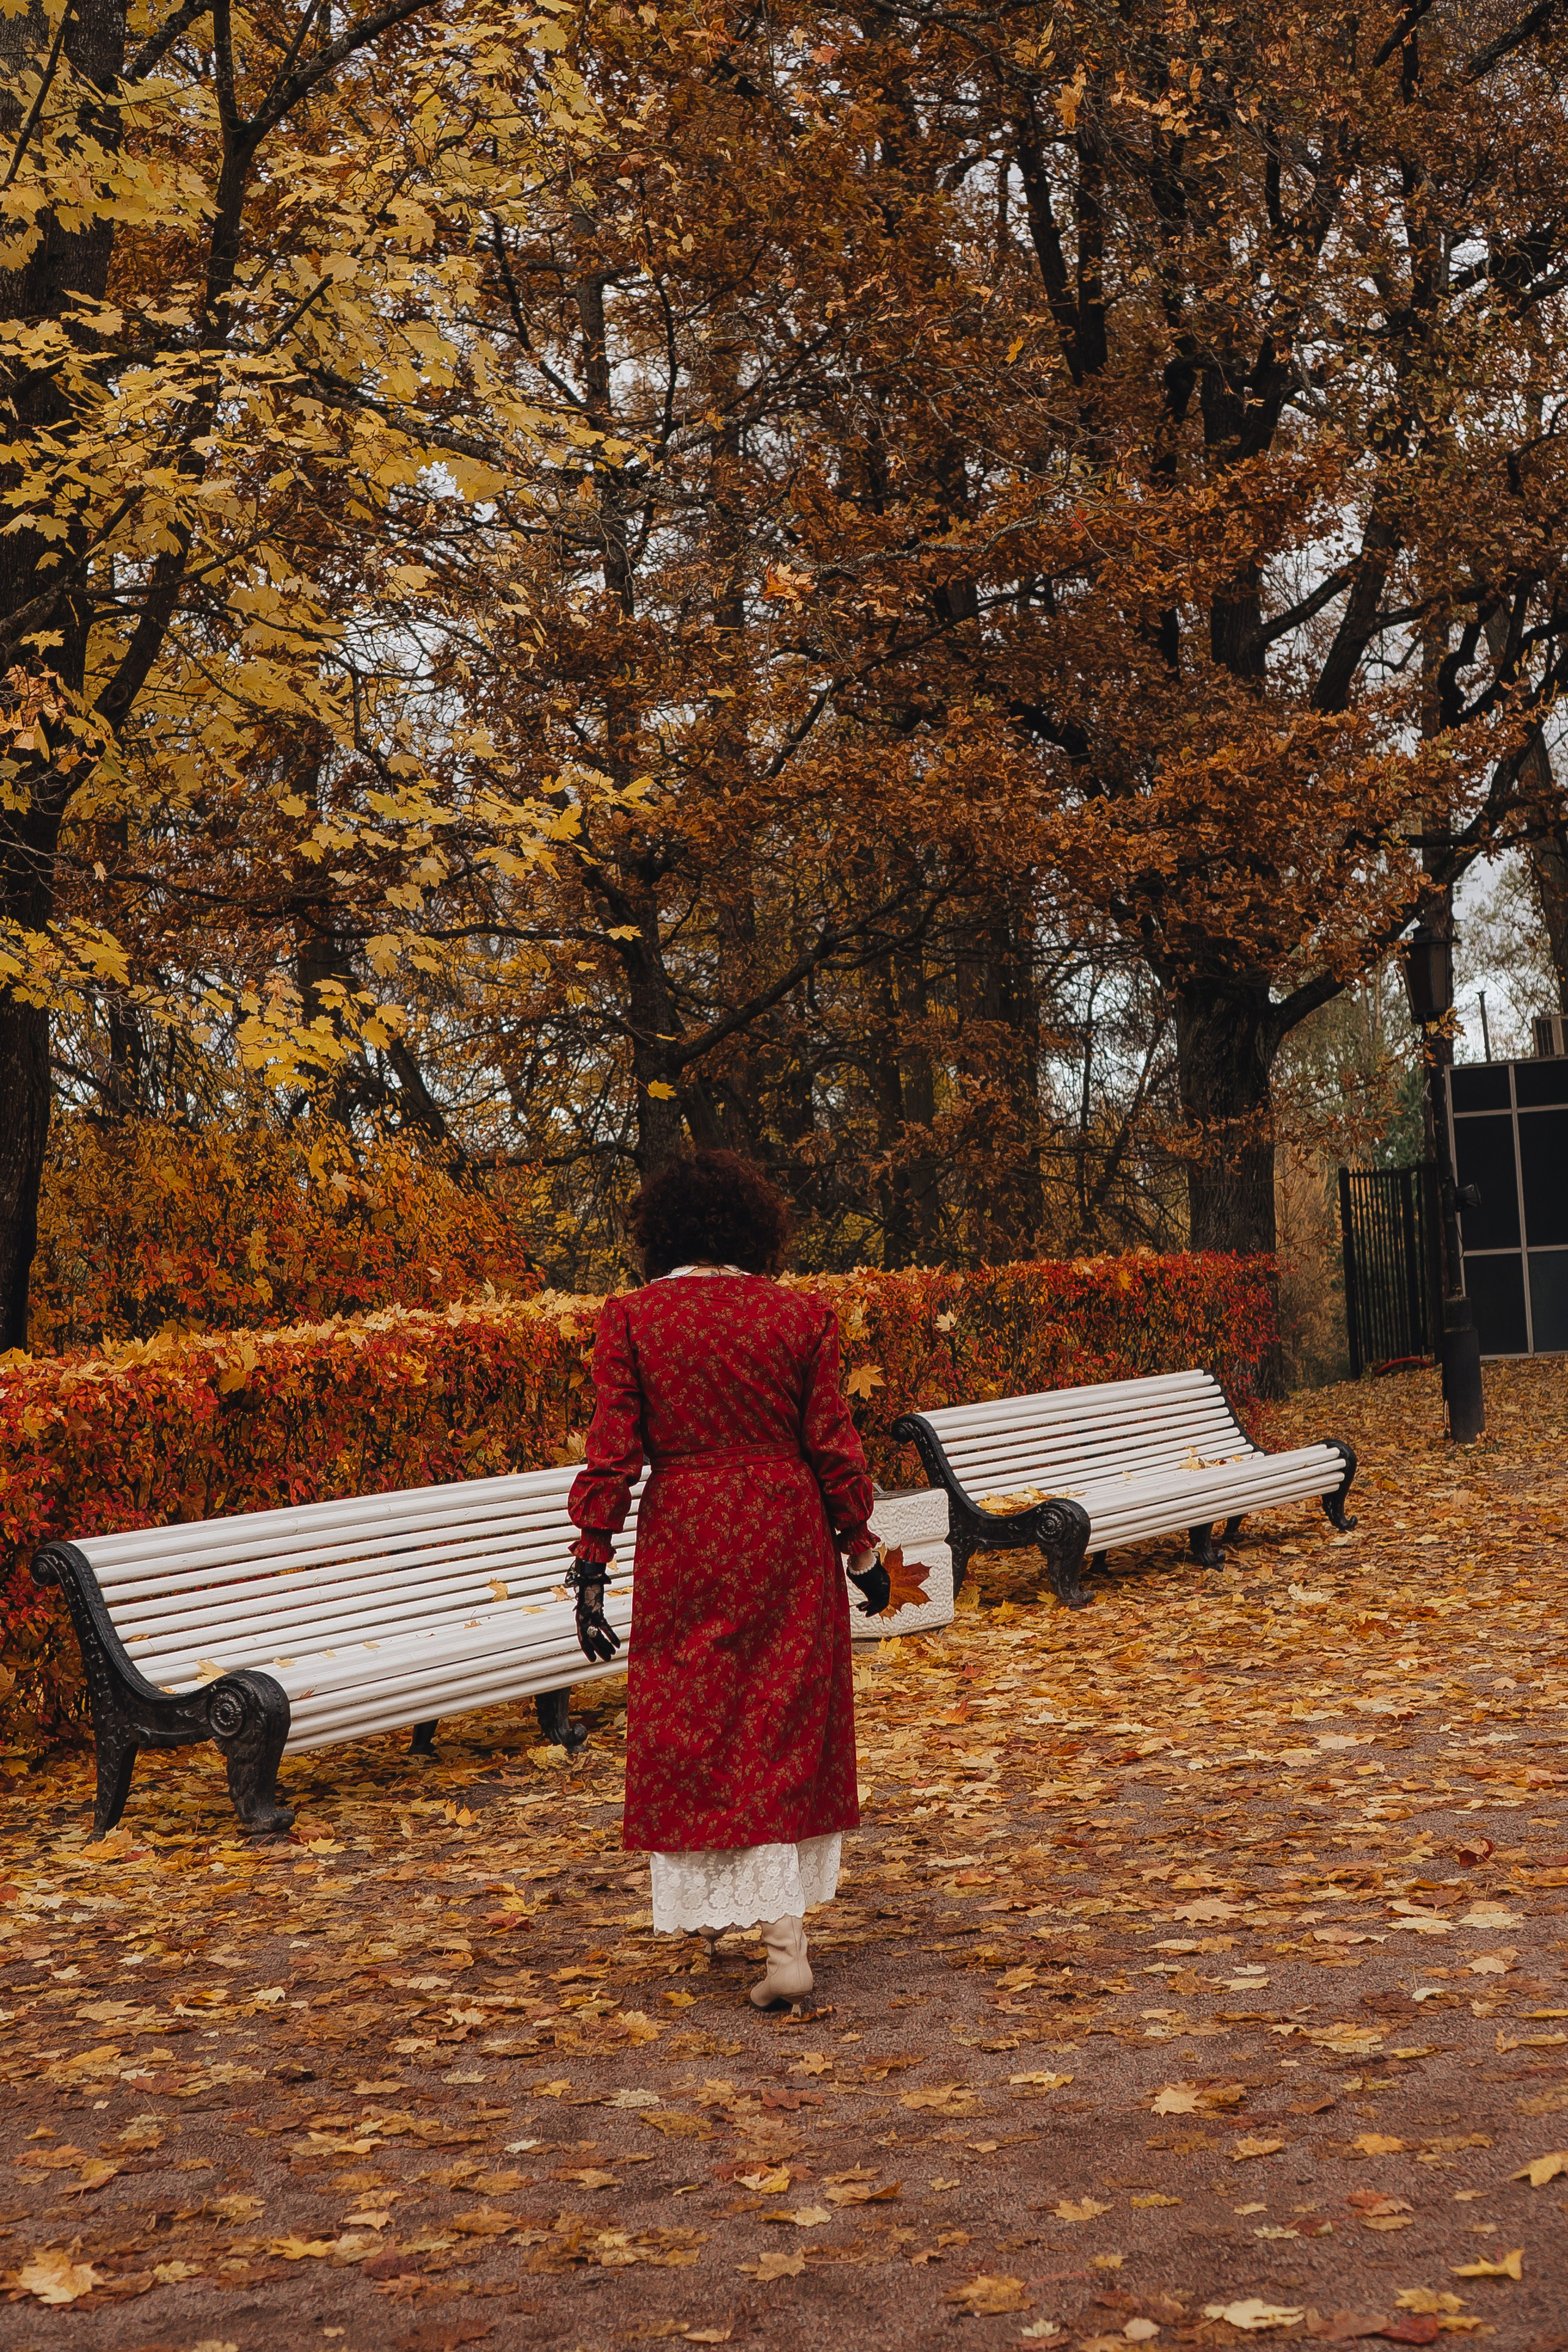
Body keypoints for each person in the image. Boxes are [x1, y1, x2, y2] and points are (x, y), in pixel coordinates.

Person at [565, 1149, 888, 2007]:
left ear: (660, 1229)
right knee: (779, 1717)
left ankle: (755, 1928)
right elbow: (833, 1445)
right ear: (755, 1230)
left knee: (697, 1717)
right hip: (785, 1531)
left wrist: (590, 1565)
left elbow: (612, 1452)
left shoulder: (632, 1318)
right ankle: (779, 1935)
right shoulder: (801, 1317)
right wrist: (862, 1548)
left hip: (689, 1538)